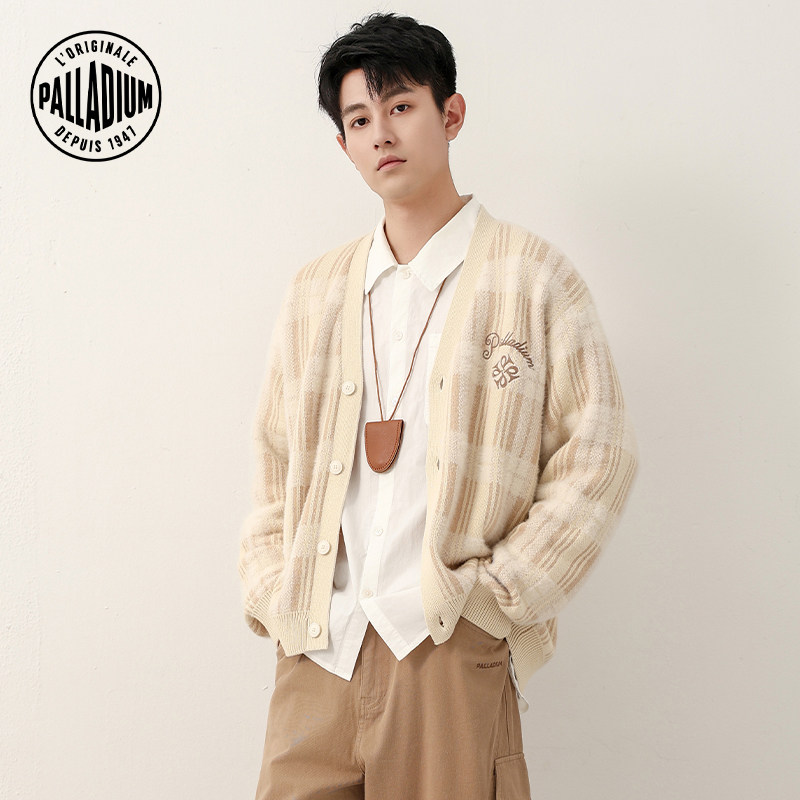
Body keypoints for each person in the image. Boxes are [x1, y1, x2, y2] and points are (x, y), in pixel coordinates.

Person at [238, 11, 639, 799]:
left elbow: (599, 453)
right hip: (317, 651)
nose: (381, 133)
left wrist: (499, 599)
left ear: (450, 114)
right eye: (360, 119)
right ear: (344, 144)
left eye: (401, 106)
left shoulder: (532, 278)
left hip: (446, 646)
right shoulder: (315, 291)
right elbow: (274, 460)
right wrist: (271, 590)